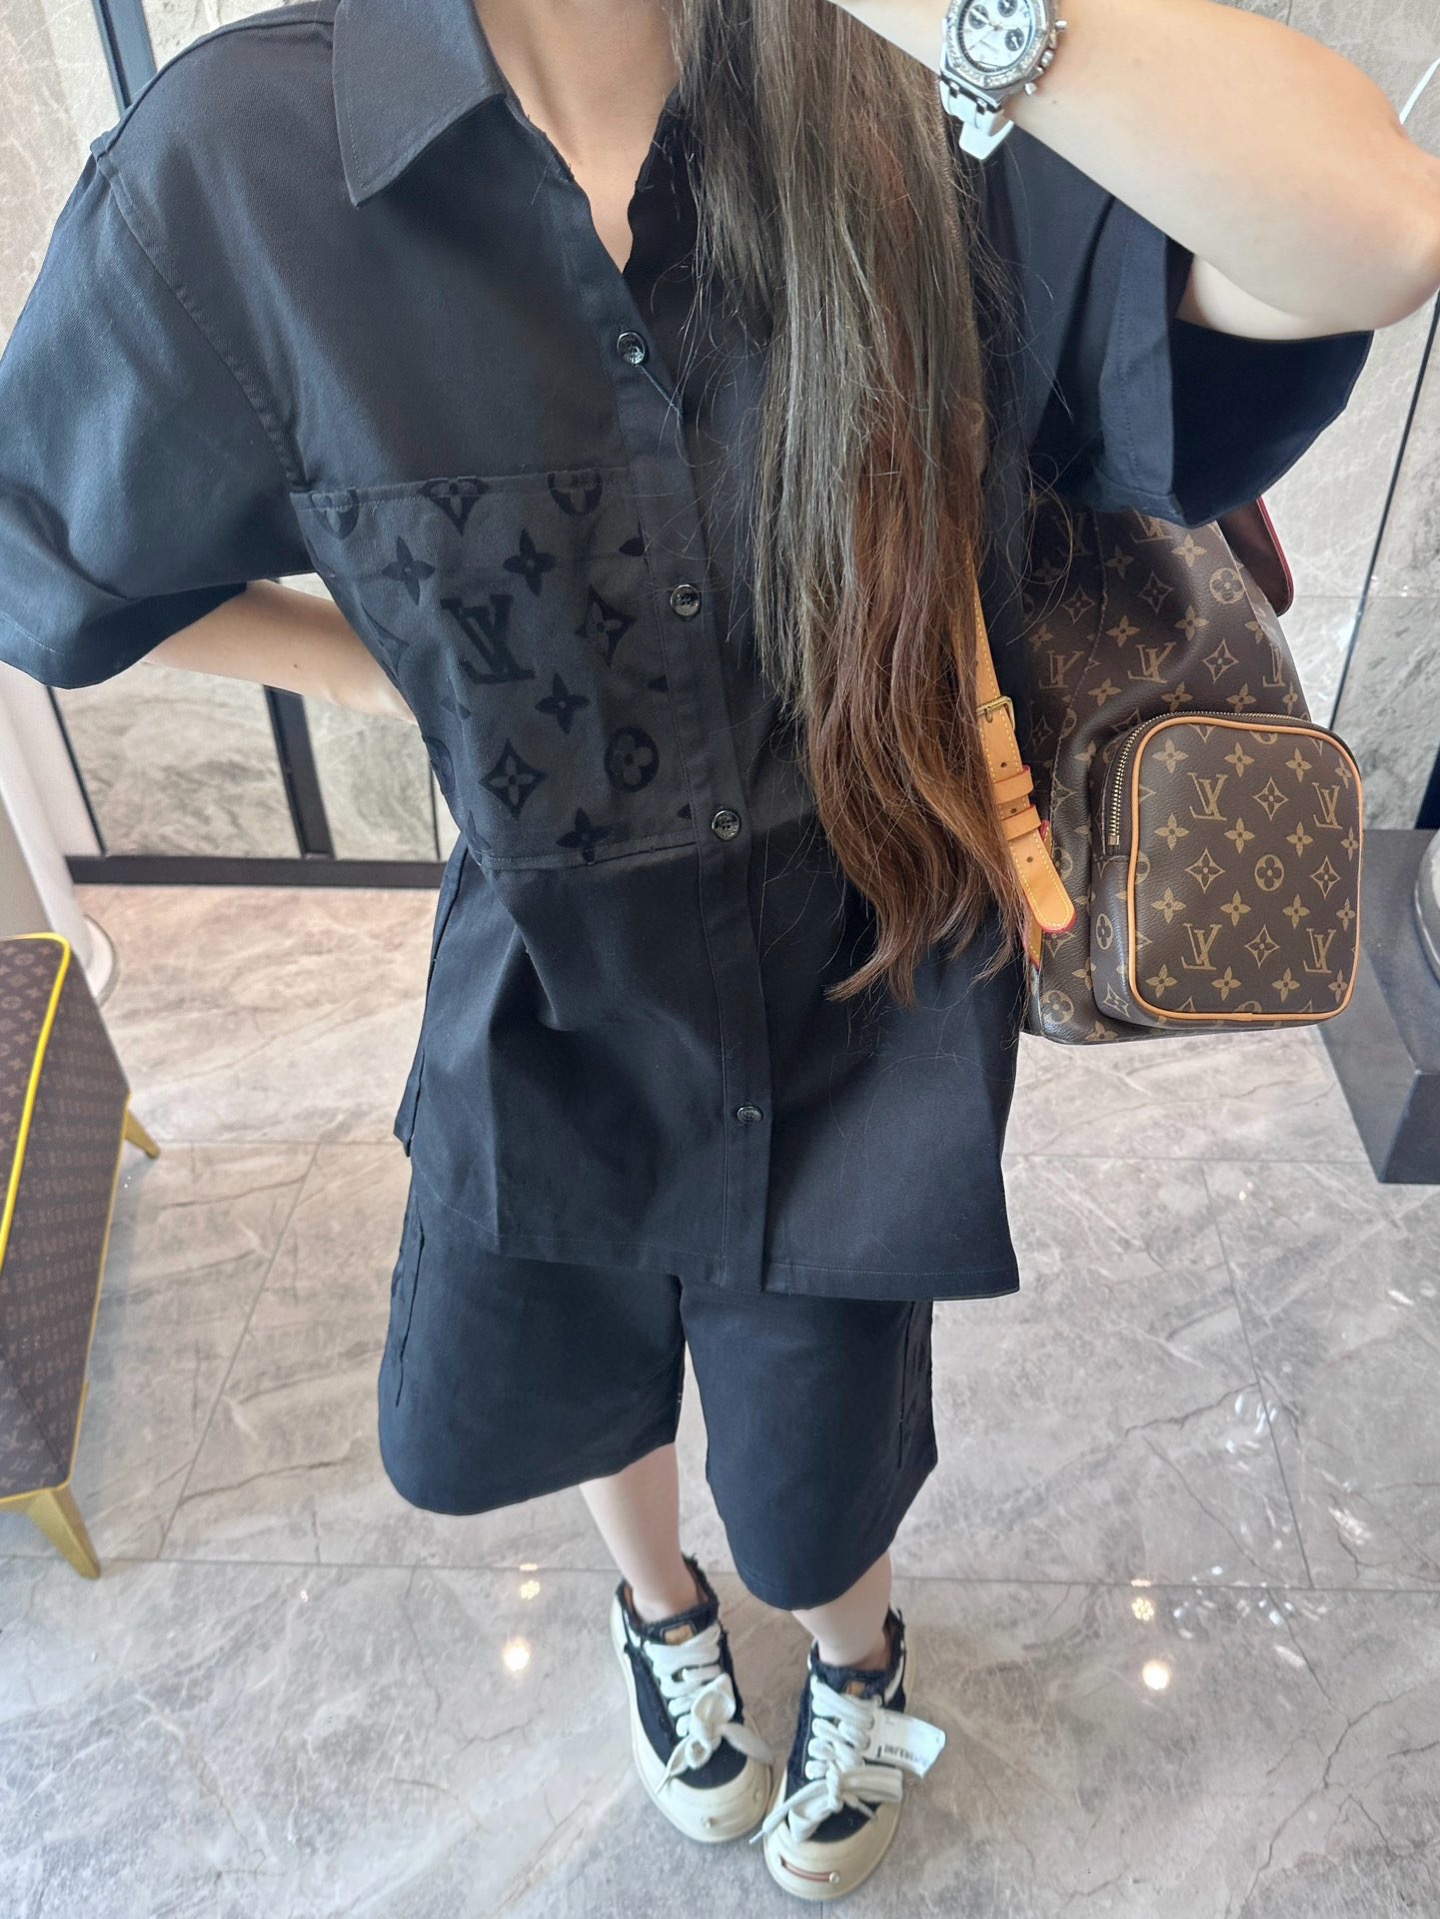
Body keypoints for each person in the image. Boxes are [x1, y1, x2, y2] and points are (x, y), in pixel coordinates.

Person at [2, 0, 1435, 1899]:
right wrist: (397, 676)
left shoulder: (923, 100)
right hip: (546, 974)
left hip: (867, 968)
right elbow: (48, 567)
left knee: (817, 1451)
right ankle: (662, 1618)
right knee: (578, 1364)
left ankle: (857, 1659)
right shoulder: (238, 176)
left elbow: (1369, 231)